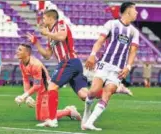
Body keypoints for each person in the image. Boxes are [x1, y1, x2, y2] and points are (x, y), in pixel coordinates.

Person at [26, 9, 133, 127]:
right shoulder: (51, 36)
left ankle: (52, 120)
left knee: (52, 87)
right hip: (72, 64)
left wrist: (47, 34)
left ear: (51, 18)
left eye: (44, 18)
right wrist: (36, 43)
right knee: (84, 95)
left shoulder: (60, 24)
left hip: (68, 61)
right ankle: (117, 89)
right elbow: (47, 55)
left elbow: (62, 37)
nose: (43, 20)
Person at [82, 2, 139, 131]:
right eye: (135, 10)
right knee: (93, 91)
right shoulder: (111, 24)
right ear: (128, 11)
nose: (136, 13)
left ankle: (89, 123)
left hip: (118, 69)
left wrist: (128, 67)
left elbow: (133, 51)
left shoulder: (134, 32)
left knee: (107, 93)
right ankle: (86, 112)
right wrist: (92, 55)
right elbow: (100, 41)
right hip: (104, 64)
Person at [14, 44, 81, 127]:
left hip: (46, 88)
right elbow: (25, 80)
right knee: (39, 117)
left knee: (45, 117)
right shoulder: (22, 63)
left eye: (20, 50)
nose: (17, 51)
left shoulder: (35, 64)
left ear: (27, 53)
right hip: (40, 90)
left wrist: (23, 96)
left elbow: (37, 85)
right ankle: (67, 111)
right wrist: (27, 97)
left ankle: (69, 111)